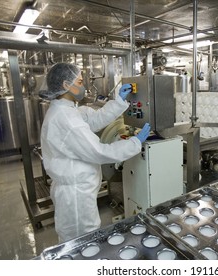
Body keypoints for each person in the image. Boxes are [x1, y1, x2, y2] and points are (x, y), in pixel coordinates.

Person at [39, 62, 150, 243]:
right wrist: (134, 143)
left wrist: (119, 102)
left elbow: (94, 120)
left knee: (79, 241)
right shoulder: (66, 119)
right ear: (66, 85)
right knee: (83, 242)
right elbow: (99, 152)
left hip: (76, 189)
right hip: (76, 197)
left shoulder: (66, 110)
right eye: (80, 82)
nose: (83, 86)